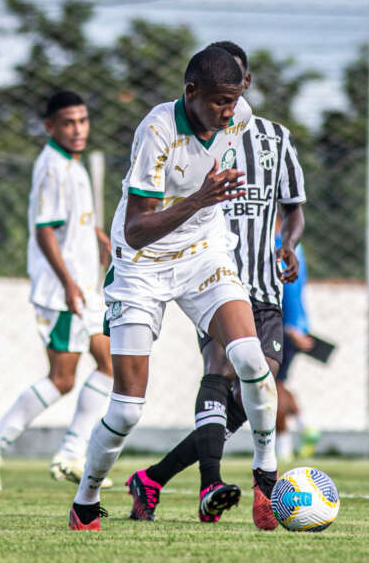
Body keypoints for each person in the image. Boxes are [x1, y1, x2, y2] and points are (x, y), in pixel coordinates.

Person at [68, 46, 279, 531]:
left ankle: (266, 479)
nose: (228, 112)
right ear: (191, 93)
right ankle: (85, 501)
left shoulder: (238, 114)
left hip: (204, 255)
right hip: (142, 266)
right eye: (218, 102)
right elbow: (138, 229)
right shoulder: (157, 130)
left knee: (250, 359)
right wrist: (201, 197)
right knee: (126, 408)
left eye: (234, 99)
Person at [125, 41, 306, 524]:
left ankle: (155, 478)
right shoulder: (191, 136)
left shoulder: (274, 139)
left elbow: (294, 209)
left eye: (240, 84)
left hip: (264, 286)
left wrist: (288, 245)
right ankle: (218, 486)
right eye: (224, 91)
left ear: (246, 85)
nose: (233, 98)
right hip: (212, 277)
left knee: (254, 387)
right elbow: (148, 210)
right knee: (220, 369)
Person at [0, 91, 115, 492]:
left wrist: (95, 234)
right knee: (63, 379)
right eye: (68, 122)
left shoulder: (73, 164)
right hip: (63, 292)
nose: (78, 129)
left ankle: (70, 454)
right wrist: (67, 284)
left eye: (82, 121)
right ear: (51, 127)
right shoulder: (51, 166)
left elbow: (69, 221)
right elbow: (44, 228)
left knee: (111, 365)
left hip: (83, 289)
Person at [274, 236, 320, 460]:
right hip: (292, 324)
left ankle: (283, 446)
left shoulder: (279, 244)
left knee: (271, 386)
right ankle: (305, 426)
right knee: (278, 383)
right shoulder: (294, 245)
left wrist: (291, 326)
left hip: (283, 326)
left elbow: (290, 289)